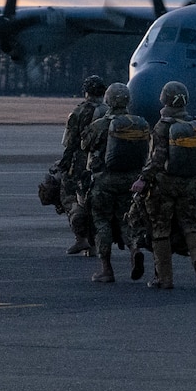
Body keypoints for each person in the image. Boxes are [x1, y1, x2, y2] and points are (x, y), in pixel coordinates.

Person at [137, 81, 196, 290]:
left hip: (164, 186)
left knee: (160, 230)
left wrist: (143, 179)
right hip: (189, 185)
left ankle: (165, 278)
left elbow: (157, 159)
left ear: (164, 99)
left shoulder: (163, 126)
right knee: (190, 226)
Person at [79, 82, 148, 284]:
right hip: (131, 181)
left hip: (104, 182)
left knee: (101, 222)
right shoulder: (138, 123)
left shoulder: (100, 124)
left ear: (108, 100)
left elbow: (84, 145)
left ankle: (106, 269)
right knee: (127, 220)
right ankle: (134, 249)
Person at [57, 76, 108, 256]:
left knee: (69, 197)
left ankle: (81, 238)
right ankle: (94, 244)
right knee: (95, 202)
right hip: (105, 163)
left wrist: (64, 165)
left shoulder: (78, 112)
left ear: (86, 92)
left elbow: (69, 143)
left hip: (81, 162)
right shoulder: (110, 112)